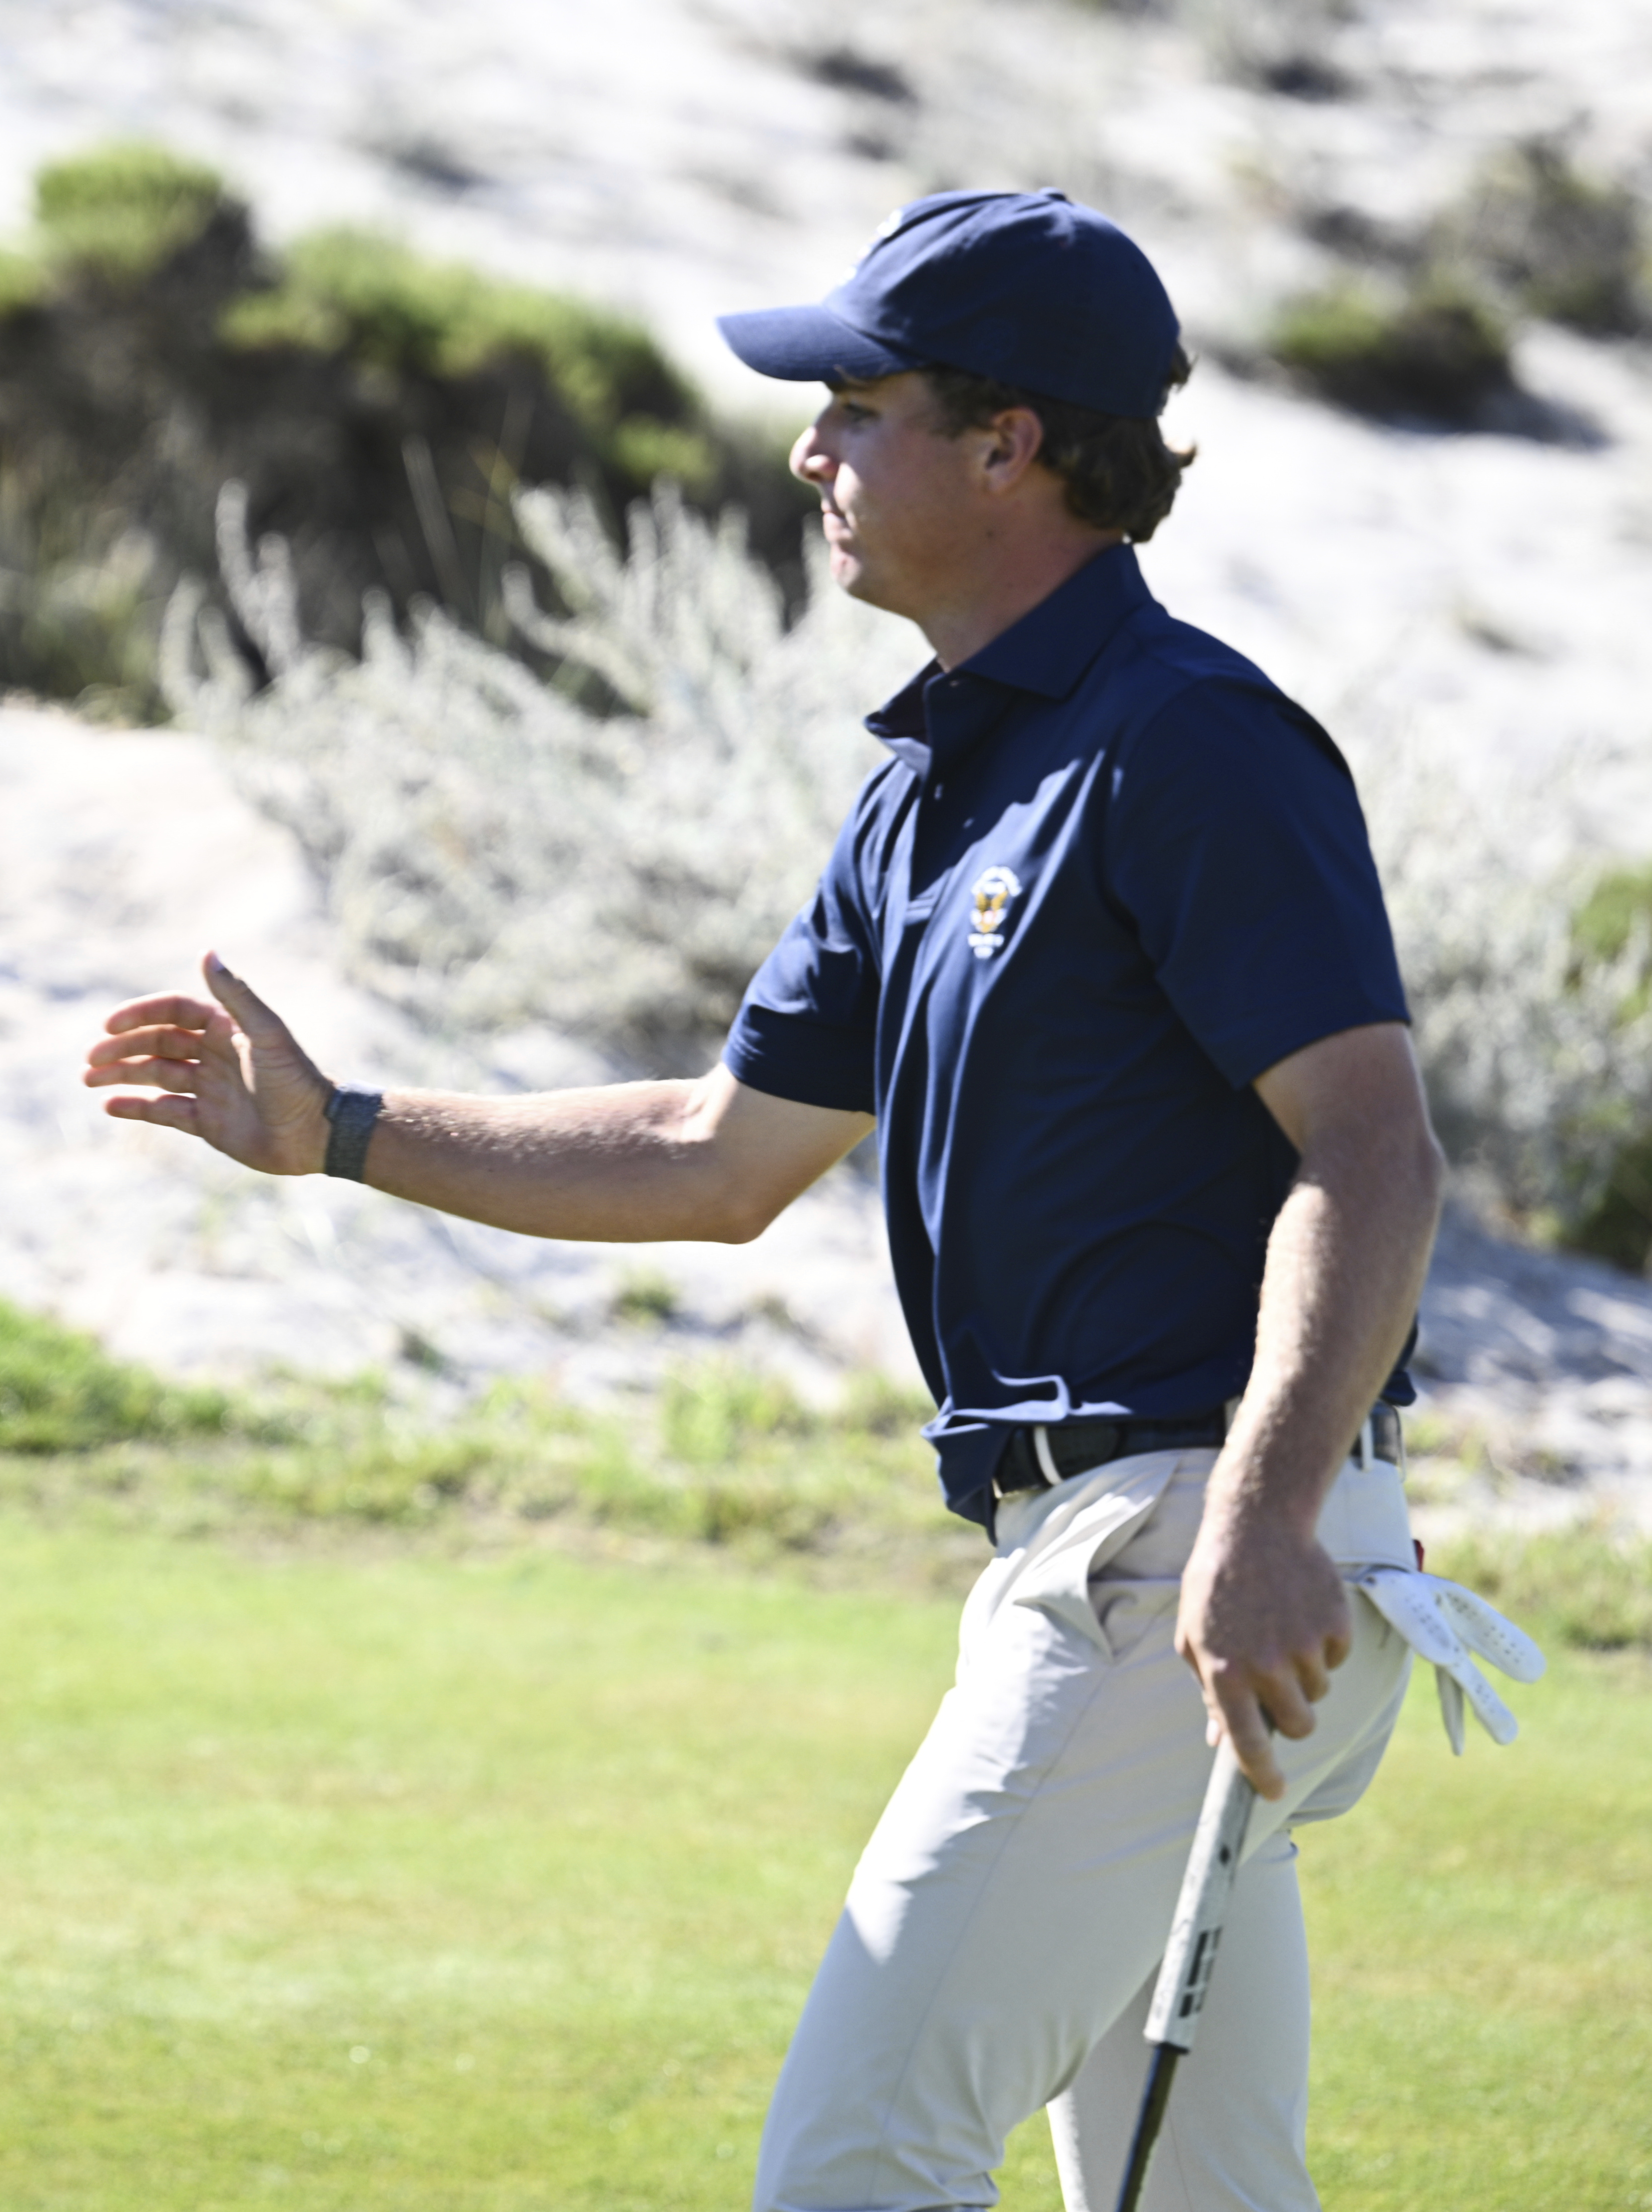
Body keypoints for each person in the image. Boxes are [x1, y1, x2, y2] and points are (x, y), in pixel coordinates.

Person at [83, 191, 1476, 2211]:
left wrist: (1258, 1516)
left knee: (859, 2155)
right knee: (1197, 2189)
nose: (809, 447)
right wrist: (344, 1129)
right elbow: (720, 1153)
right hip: (1126, 1557)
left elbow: (1378, 1148)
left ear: (1011, 442)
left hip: (1191, 1552)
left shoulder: (1188, 745)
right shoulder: (931, 785)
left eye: (855, 400)